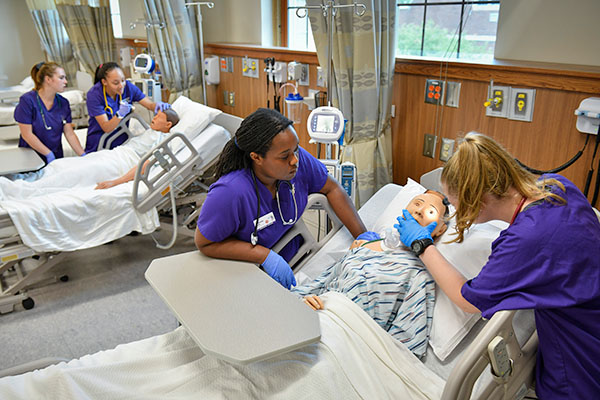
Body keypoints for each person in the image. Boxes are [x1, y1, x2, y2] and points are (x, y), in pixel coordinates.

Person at [395, 132, 600, 399]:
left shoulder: (523, 242)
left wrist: (422, 245)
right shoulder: (558, 186)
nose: (452, 209)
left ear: (478, 202)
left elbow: (469, 300)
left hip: (582, 362)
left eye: (452, 202)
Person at [195, 108, 373, 290]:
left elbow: (332, 188)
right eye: (284, 156)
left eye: (295, 150)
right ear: (256, 157)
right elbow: (205, 243)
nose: (295, 160)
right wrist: (264, 256)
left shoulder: (296, 161)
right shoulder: (230, 192)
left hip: (297, 257)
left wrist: (363, 238)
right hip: (248, 275)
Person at [295, 190, 449, 357]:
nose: (419, 210)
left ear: (440, 230)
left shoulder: (421, 273)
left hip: (350, 341)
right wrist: (301, 302)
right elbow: (320, 283)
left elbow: (406, 344)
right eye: (417, 203)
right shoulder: (363, 245)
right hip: (315, 318)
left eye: (431, 211)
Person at [85, 62, 171, 154]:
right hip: (99, 143)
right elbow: (106, 127)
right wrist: (120, 114)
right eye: (116, 83)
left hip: (122, 143)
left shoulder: (128, 88)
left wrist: (157, 106)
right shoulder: (94, 95)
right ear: (104, 82)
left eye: (123, 80)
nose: (121, 85)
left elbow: (149, 105)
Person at [14, 62, 85, 164]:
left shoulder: (63, 103)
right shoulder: (28, 101)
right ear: (48, 79)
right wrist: (48, 153)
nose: (65, 81)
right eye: (61, 78)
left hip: (55, 155)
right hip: (31, 156)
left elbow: (69, 133)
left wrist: (83, 155)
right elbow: (27, 134)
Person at [95, 108, 180, 190]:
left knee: (91, 168)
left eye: (159, 117)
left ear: (168, 124)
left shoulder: (163, 141)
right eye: (156, 115)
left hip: (126, 160)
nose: (154, 117)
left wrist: (115, 182)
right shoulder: (152, 131)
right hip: (117, 153)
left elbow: (146, 164)